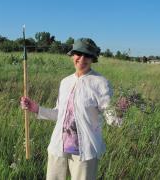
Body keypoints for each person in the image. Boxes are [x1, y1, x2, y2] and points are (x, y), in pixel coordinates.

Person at [21, 38, 125, 180]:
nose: (82, 58)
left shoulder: (100, 83)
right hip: (58, 148)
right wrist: (36, 108)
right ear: (72, 55)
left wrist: (120, 110)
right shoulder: (65, 82)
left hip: (85, 152)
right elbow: (59, 114)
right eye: (78, 53)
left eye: (87, 55)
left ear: (93, 58)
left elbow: (112, 120)